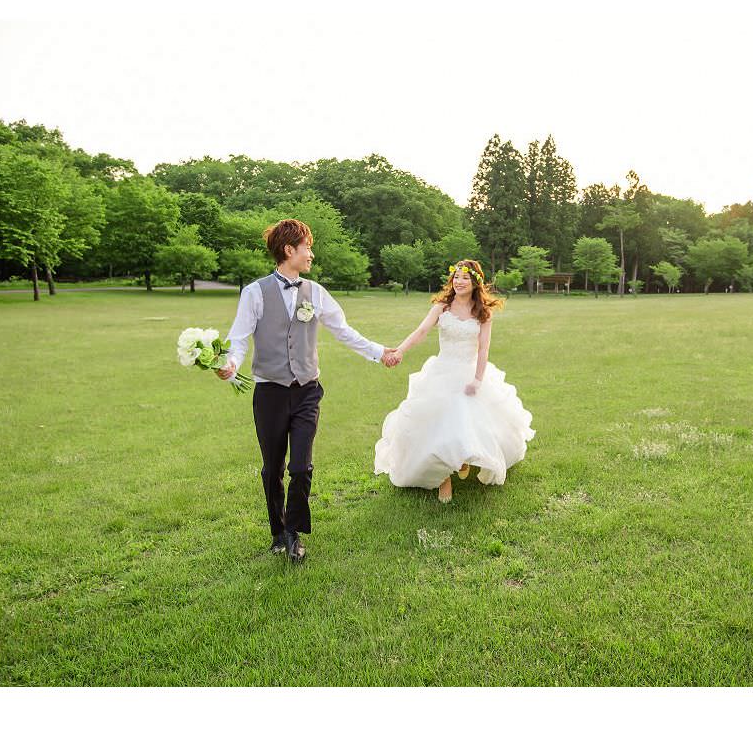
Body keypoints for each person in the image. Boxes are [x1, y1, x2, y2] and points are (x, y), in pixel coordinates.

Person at [217, 219, 400, 563]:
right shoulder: (254, 292)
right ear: (290, 250)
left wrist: (379, 352)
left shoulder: (315, 292)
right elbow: (239, 338)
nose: (311, 254)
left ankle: (294, 533)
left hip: (307, 392)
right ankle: (277, 530)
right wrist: (230, 365)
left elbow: (343, 331)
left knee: (301, 466)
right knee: (272, 468)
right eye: (307, 247)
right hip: (269, 392)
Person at [374, 259, 534, 503]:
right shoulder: (442, 307)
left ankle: (459, 460)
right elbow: (421, 332)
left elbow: (483, 349)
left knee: (468, 420)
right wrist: (400, 351)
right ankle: (443, 478)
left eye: (464, 278)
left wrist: (478, 380)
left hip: (470, 372)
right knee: (439, 422)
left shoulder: (483, 313)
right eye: (456, 277)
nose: (459, 281)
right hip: (442, 370)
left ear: (475, 283)